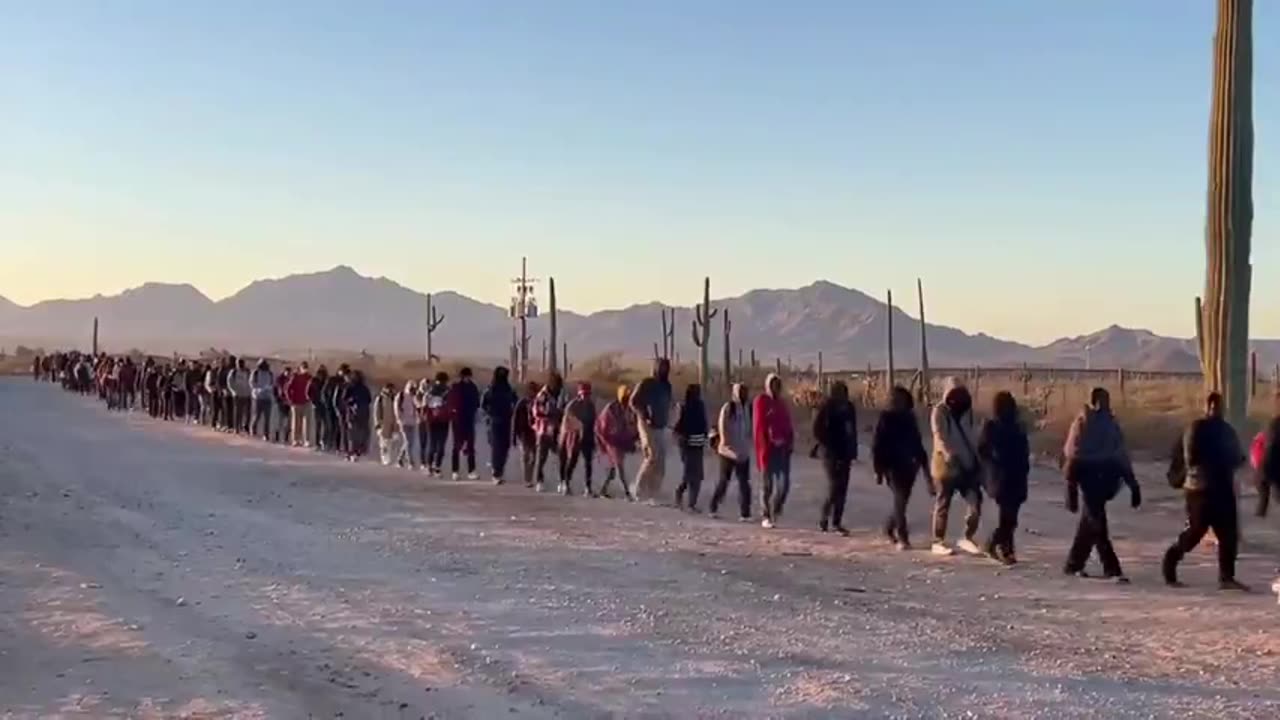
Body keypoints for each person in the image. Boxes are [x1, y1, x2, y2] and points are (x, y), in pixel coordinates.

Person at [1162, 392, 1248, 590]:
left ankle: (1226, 577)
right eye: (1212, 405)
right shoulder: (1196, 428)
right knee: (1195, 532)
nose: (1215, 409)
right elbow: (1190, 458)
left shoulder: (1227, 431)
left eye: (1218, 406)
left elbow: (1238, 457)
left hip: (1223, 488)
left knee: (1229, 535)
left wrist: (1232, 460)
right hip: (1200, 489)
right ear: (1206, 407)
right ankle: (1170, 564)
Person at [1061, 387, 1140, 582]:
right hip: (1088, 475)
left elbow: (1120, 454)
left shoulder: (1110, 424)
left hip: (1106, 477)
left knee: (1090, 521)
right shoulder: (1083, 423)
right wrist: (1070, 488)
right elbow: (1073, 454)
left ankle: (1074, 563)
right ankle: (1111, 567)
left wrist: (1133, 484)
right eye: (1100, 400)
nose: (1103, 404)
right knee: (1097, 521)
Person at [929, 377, 983, 556]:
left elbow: (973, 435)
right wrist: (948, 454)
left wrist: (978, 458)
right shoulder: (940, 412)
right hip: (946, 466)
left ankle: (967, 537)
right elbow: (939, 436)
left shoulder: (969, 412)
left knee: (975, 503)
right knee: (943, 503)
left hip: (967, 464)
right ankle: (938, 541)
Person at [872, 386, 931, 550]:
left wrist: (926, 471)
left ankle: (889, 527)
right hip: (892, 466)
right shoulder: (885, 418)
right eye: (894, 399)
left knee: (901, 502)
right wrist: (878, 470)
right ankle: (903, 536)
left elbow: (917, 444)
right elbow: (877, 445)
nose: (896, 402)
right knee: (900, 500)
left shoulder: (909, 418)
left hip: (909, 466)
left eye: (899, 400)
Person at [977, 391, 1030, 565]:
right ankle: (997, 546)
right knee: (1008, 518)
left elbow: (1024, 449)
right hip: (1001, 476)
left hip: (1015, 475)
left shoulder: (1016, 425)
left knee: (1010, 518)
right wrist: (994, 461)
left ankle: (1004, 548)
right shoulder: (992, 426)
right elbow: (983, 450)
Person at [812, 380, 858, 535]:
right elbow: (817, 430)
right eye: (841, 393)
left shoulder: (849, 408)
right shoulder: (827, 407)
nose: (844, 397)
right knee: (834, 487)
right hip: (830, 453)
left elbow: (852, 430)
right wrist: (828, 445)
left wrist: (853, 450)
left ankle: (837, 521)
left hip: (845, 453)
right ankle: (824, 518)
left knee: (843, 488)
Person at [753, 373, 794, 529]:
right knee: (767, 485)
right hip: (767, 450)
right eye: (773, 385)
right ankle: (766, 514)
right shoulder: (761, 401)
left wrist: (789, 442)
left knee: (784, 485)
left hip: (782, 450)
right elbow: (759, 425)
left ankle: (776, 509)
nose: (776, 388)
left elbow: (788, 424)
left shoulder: (782, 404)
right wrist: (766, 442)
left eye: (778, 385)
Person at [631, 358, 674, 503]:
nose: (664, 370)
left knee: (661, 462)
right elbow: (633, 402)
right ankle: (638, 489)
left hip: (661, 426)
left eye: (666, 367)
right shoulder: (646, 383)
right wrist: (644, 414)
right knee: (652, 456)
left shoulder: (667, 386)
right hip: (646, 424)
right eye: (661, 367)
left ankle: (653, 492)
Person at [710, 383, 752, 520]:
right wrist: (726, 443)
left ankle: (745, 513)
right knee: (724, 481)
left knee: (744, 483)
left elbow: (748, 428)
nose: (743, 395)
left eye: (745, 392)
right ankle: (713, 507)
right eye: (741, 392)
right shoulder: (729, 407)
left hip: (742, 451)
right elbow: (722, 426)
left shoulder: (747, 408)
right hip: (728, 451)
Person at [596, 384, 640, 500]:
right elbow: (602, 428)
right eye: (625, 397)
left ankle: (602, 490)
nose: (627, 399)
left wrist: (633, 438)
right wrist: (604, 443)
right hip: (609, 440)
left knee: (612, 469)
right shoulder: (611, 409)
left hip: (618, 440)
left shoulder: (628, 409)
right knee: (619, 467)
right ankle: (627, 493)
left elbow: (630, 425)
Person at [673, 383, 710, 512]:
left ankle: (692, 504)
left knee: (698, 475)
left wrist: (706, 436)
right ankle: (679, 495)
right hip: (687, 445)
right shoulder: (683, 407)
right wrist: (682, 438)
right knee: (689, 475)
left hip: (698, 443)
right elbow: (677, 427)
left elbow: (704, 424)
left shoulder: (700, 406)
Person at [560, 382, 598, 496]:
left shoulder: (591, 406)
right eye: (583, 394)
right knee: (572, 460)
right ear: (579, 394)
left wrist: (594, 438)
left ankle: (588, 487)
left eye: (587, 394)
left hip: (587, 436)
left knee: (588, 462)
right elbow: (567, 422)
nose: (585, 397)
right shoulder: (572, 406)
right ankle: (566, 483)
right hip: (574, 436)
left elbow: (593, 422)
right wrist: (577, 428)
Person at [481, 367, 517, 484]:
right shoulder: (491, 389)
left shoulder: (508, 389)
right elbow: (483, 405)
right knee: (497, 447)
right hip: (494, 421)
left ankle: (499, 471)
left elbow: (515, 402)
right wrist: (488, 415)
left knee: (505, 447)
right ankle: (496, 473)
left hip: (506, 421)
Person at [532, 373, 566, 491]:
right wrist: (552, 413)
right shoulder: (543, 395)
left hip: (557, 431)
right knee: (541, 457)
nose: (559, 387)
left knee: (562, 456)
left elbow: (565, 409)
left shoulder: (561, 395)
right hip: (544, 431)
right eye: (557, 385)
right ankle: (539, 481)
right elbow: (536, 412)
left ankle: (562, 481)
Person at [447, 367, 482, 480]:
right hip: (458, 420)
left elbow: (477, 403)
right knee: (457, 445)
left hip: (467, 419)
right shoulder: (458, 387)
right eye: (466, 376)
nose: (467, 378)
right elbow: (450, 402)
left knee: (470, 446)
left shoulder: (471, 387)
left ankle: (471, 470)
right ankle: (455, 470)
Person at [423, 372, 452, 475]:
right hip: (443, 421)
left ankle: (430, 466)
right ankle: (436, 466)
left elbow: (424, 407)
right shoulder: (448, 392)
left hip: (432, 421)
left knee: (433, 444)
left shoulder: (430, 392)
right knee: (440, 445)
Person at [514, 381, 540, 487]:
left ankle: (530, 477)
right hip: (524, 432)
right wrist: (514, 436)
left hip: (534, 432)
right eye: (531, 390)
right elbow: (515, 419)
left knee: (533, 457)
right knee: (525, 455)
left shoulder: (538, 403)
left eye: (534, 390)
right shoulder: (522, 403)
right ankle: (527, 479)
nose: (532, 393)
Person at [343, 370, 373, 461]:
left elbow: (344, 400)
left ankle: (354, 452)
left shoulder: (351, 387)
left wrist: (352, 402)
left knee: (355, 434)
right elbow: (369, 400)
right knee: (356, 434)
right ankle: (355, 452)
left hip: (358, 414)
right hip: (358, 414)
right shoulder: (361, 388)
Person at [373, 382, 400, 466]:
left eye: (392, 389)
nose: (390, 391)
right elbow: (376, 412)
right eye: (389, 389)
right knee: (384, 443)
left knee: (393, 443)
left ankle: (392, 458)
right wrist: (377, 425)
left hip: (394, 425)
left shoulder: (396, 398)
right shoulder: (380, 398)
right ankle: (385, 458)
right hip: (384, 424)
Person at [396, 380, 421, 470]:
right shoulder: (401, 395)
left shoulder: (413, 397)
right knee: (408, 442)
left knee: (409, 443)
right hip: (403, 422)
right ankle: (410, 462)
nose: (412, 390)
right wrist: (399, 419)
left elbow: (418, 406)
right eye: (411, 388)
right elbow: (397, 408)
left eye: (414, 389)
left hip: (412, 422)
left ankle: (399, 459)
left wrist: (417, 418)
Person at [287, 362, 313, 447]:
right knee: (296, 422)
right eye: (304, 368)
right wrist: (290, 399)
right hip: (296, 403)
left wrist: (311, 399)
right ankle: (295, 439)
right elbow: (287, 388)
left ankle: (306, 440)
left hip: (306, 402)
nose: (305, 369)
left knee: (307, 422)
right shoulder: (295, 377)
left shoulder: (309, 377)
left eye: (306, 367)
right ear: (300, 368)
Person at [249, 359, 274, 441]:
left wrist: (269, 388)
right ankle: (253, 430)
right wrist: (258, 389)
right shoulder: (255, 373)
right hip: (258, 398)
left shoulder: (270, 373)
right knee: (256, 416)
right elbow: (251, 383)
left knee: (267, 418)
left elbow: (272, 383)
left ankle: (266, 434)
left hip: (267, 398)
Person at [273, 366, 292, 443]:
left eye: (289, 373)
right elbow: (275, 390)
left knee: (287, 421)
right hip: (281, 402)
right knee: (280, 420)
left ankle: (286, 437)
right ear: (284, 372)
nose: (288, 374)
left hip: (288, 403)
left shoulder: (290, 380)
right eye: (287, 373)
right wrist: (277, 399)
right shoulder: (279, 380)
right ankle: (277, 436)